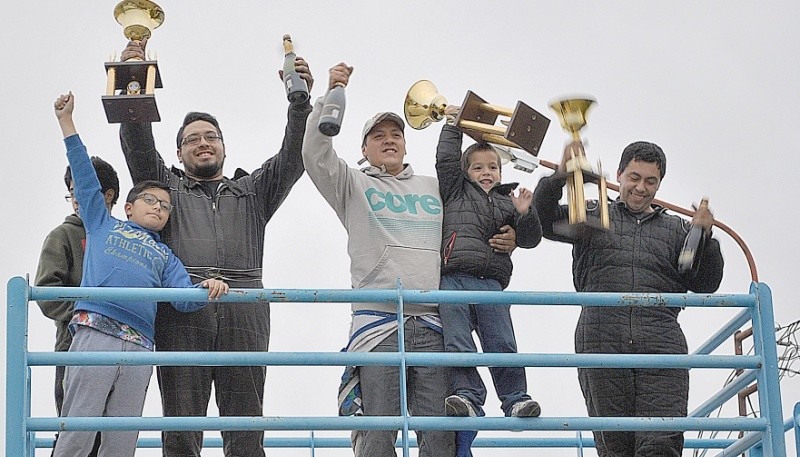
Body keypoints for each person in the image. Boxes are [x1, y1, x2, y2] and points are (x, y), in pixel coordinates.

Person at [117, 38, 313, 456]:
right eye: (192, 140)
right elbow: (136, 142)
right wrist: (135, 78)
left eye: (211, 137)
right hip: (182, 308)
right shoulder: (163, 187)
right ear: (179, 152)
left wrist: (300, 105)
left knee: (245, 428)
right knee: (182, 428)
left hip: (246, 307)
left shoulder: (254, 191)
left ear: (224, 146)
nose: (203, 143)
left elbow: (293, 156)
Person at [52, 92, 229, 457]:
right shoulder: (102, 224)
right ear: (128, 206)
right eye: (151, 201)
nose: (160, 208)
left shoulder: (166, 255)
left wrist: (207, 287)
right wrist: (67, 123)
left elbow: (184, 298)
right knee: (78, 430)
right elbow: (85, 178)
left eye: (165, 206)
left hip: (139, 345)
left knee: (121, 439)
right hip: (95, 329)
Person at [532, 140, 724, 457]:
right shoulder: (593, 215)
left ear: (660, 183)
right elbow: (543, 221)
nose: (641, 188)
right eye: (634, 177)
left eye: (651, 181)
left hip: (662, 344)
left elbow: (705, 284)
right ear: (619, 174)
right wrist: (560, 176)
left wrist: (706, 237)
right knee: (615, 446)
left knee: (661, 443)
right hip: (600, 340)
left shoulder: (678, 230)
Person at [303, 63, 455, 457]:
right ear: (364, 149)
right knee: (377, 434)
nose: (389, 140)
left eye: (396, 135)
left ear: (406, 145)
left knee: (440, 436)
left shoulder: (434, 186)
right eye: (378, 136)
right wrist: (331, 93)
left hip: (433, 322)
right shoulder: (353, 183)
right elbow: (314, 153)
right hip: (377, 322)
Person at [35, 156, 119, 457]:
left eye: (81, 188)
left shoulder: (124, 238)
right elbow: (47, 292)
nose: (75, 198)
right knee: (76, 435)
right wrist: (94, 312)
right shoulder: (63, 236)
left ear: (107, 195)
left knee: (115, 436)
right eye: (71, 190)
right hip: (76, 346)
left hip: (124, 351)